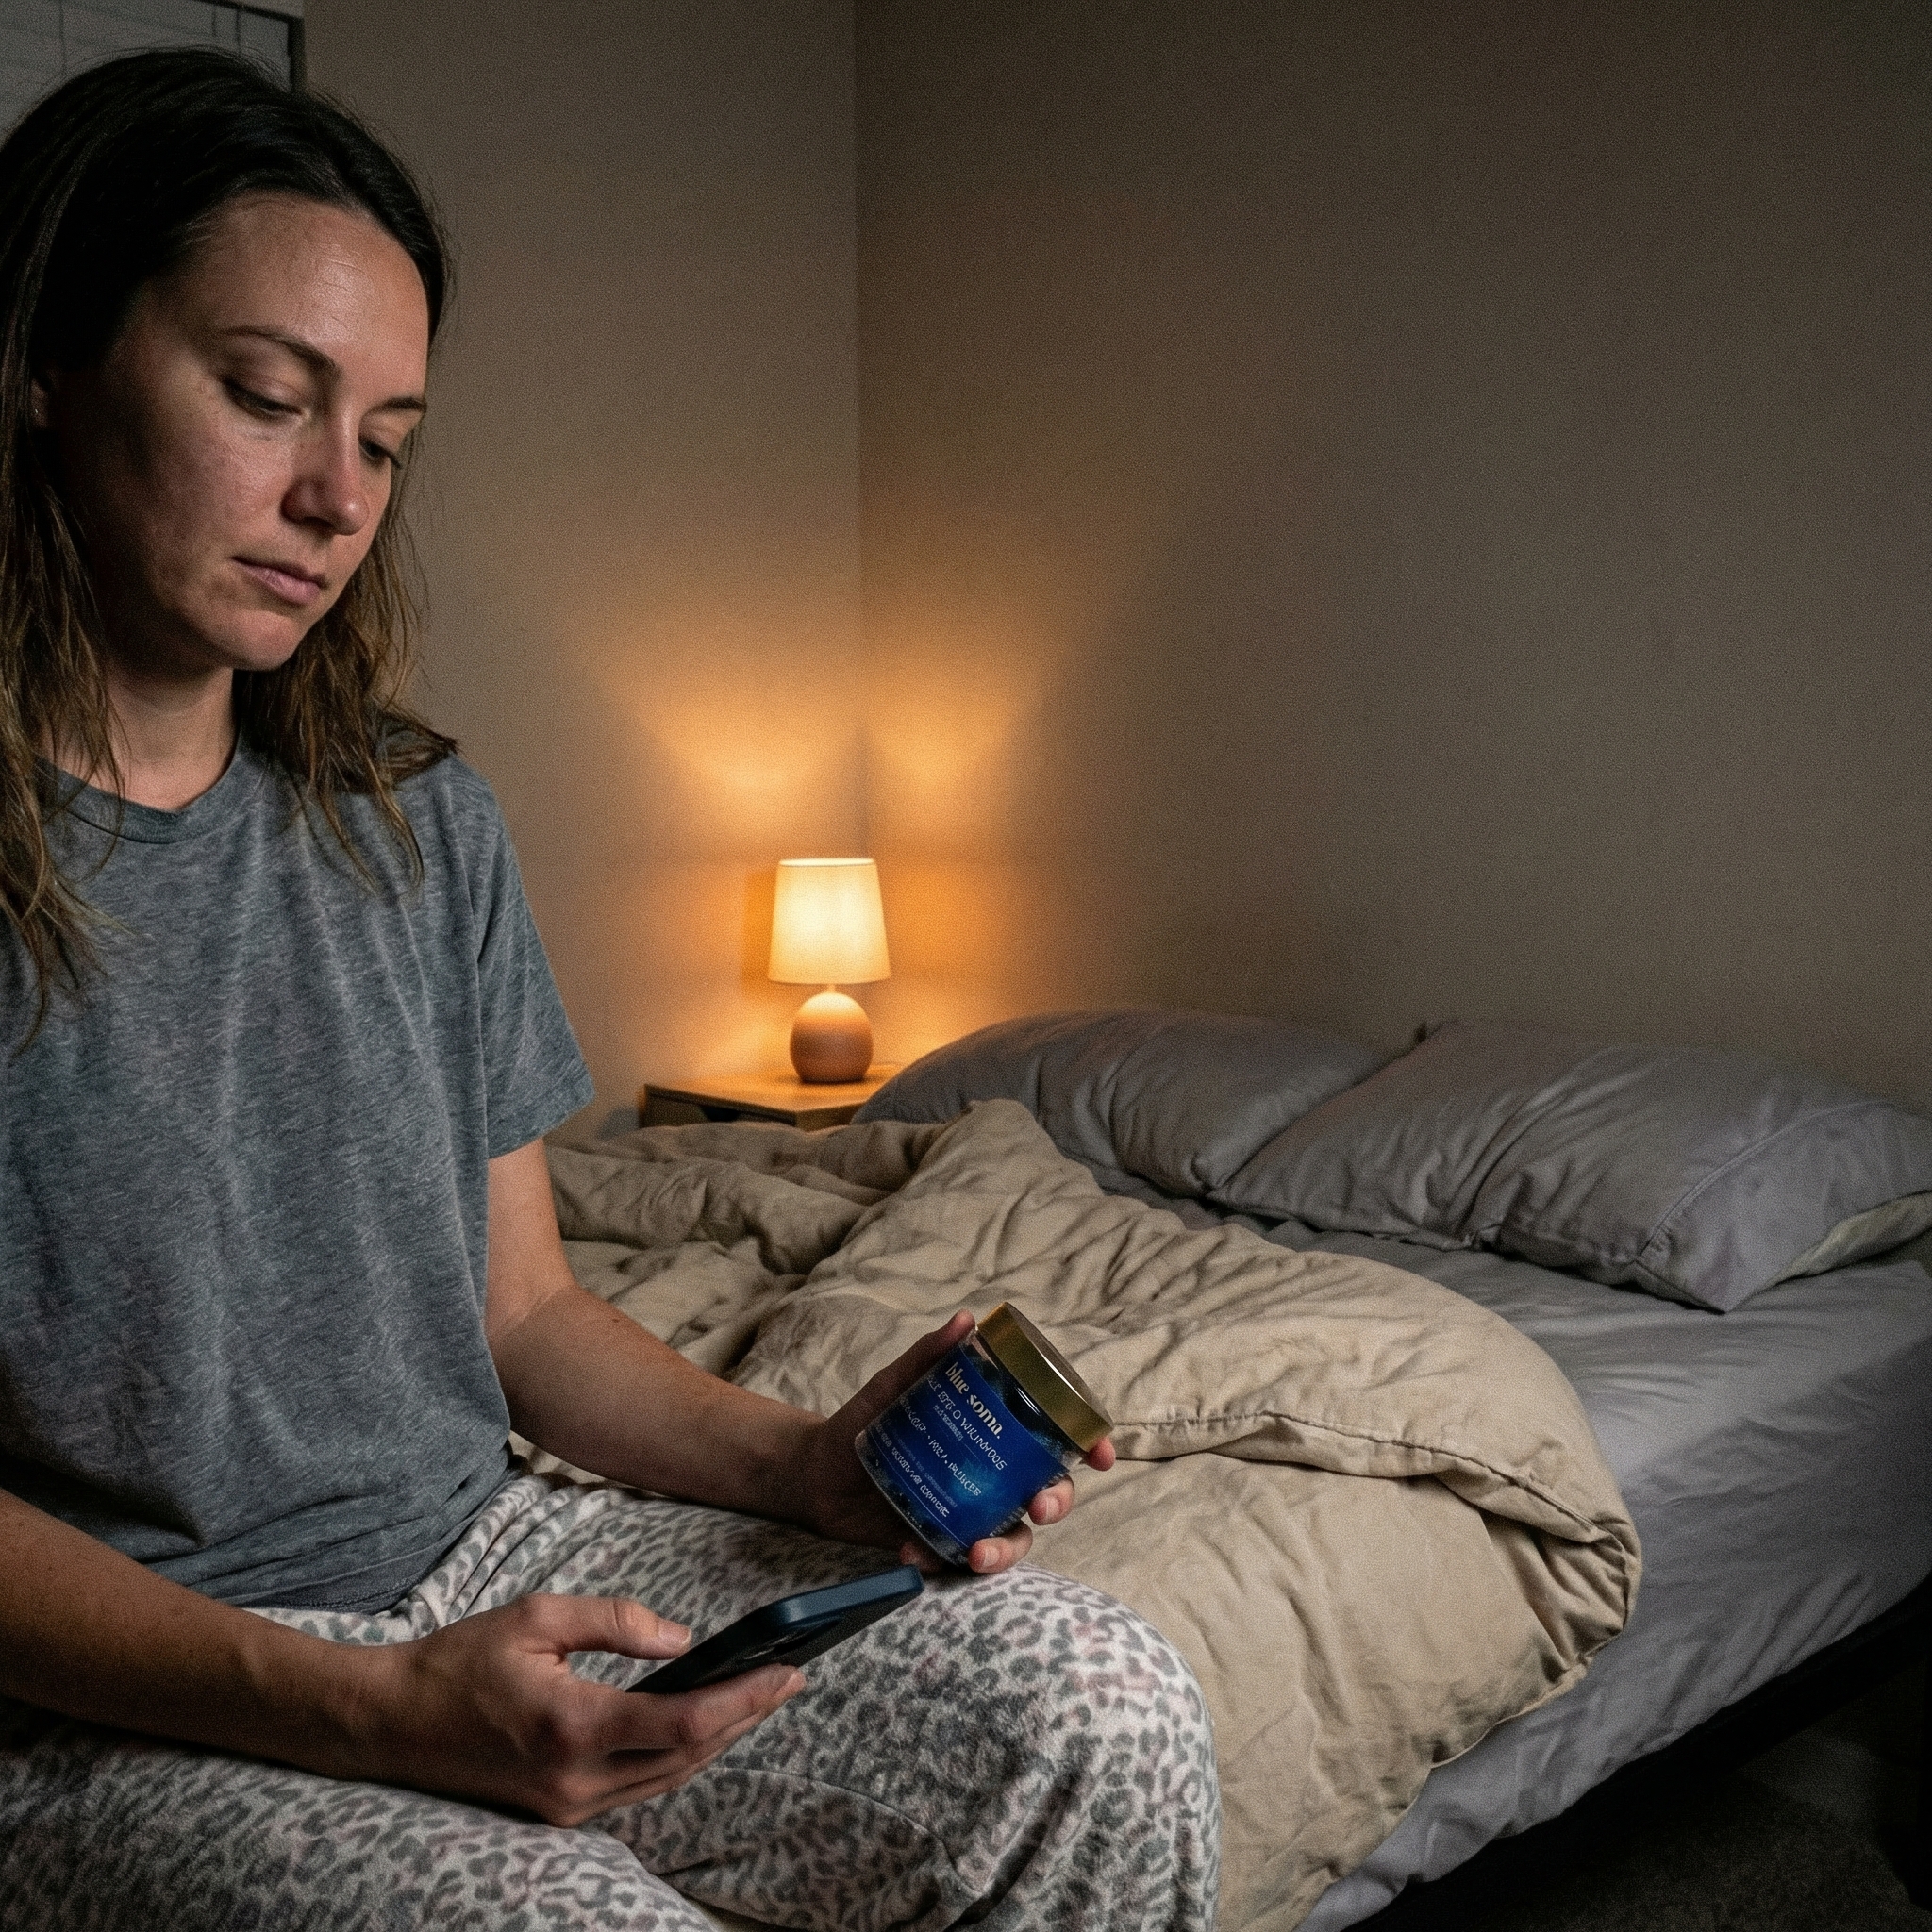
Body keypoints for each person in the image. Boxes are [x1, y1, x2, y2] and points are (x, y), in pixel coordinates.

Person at [0, 48, 1219, 1932]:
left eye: (387, 441)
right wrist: (379, 1712)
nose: (335, 498)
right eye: (265, 398)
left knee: (1101, 1710)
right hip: (136, 1690)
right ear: (47, 364)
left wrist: (812, 1466)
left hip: (485, 1547)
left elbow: (530, 1309)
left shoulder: (416, 822)